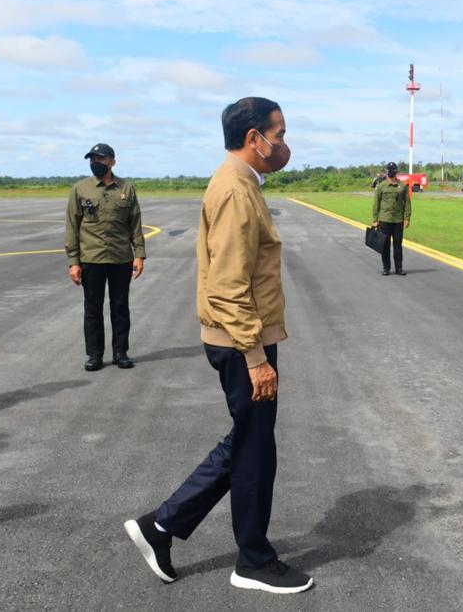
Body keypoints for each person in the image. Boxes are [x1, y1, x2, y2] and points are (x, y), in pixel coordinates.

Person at [124, 97, 313, 594]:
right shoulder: (234, 191)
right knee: (254, 450)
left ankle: (160, 526)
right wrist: (256, 357)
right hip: (241, 340)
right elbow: (227, 285)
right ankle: (251, 560)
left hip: (242, 335)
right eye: (280, 132)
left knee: (250, 443)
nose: (285, 143)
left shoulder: (241, 185)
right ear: (255, 138)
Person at [65, 143, 146, 371]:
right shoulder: (80, 189)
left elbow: (135, 224)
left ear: (112, 161)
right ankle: (95, 355)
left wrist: (139, 254)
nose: (95, 164)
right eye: (92, 159)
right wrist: (74, 262)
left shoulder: (127, 189)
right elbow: (72, 226)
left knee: (120, 307)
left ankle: (121, 352)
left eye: (100, 159)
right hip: (91, 260)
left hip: (121, 258)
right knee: (93, 309)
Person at [371, 161, 412, 276]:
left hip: (398, 220)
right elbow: (376, 204)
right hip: (384, 220)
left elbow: (407, 203)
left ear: (396, 172)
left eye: (393, 170)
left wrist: (407, 218)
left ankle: (399, 268)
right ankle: (386, 268)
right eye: (389, 170)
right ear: (386, 171)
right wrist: (375, 220)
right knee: (385, 245)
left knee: (398, 245)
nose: (391, 172)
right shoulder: (381, 186)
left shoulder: (402, 186)